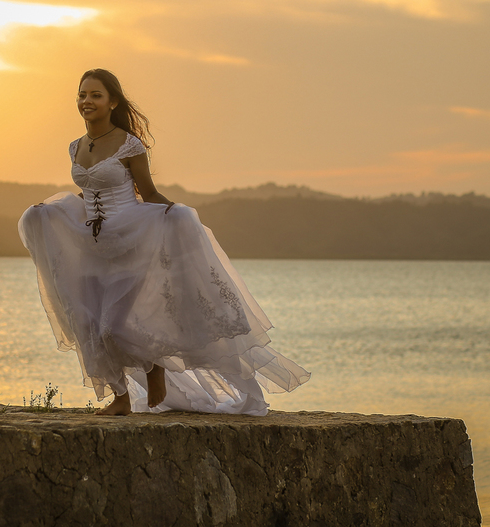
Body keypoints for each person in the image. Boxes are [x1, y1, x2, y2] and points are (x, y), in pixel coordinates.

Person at [18, 69, 309, 415]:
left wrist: (177, 218)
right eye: (82, 94)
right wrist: (54, 213)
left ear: (112, 102)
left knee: (113, 326)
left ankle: (154, 367)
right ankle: (121, 398)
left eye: (95, 95)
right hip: (92, 241)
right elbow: (90, 191)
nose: (87, 101)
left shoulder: (129, 144)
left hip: (131, 238)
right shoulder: (75, 146)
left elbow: (149, 192)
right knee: (89, 323)